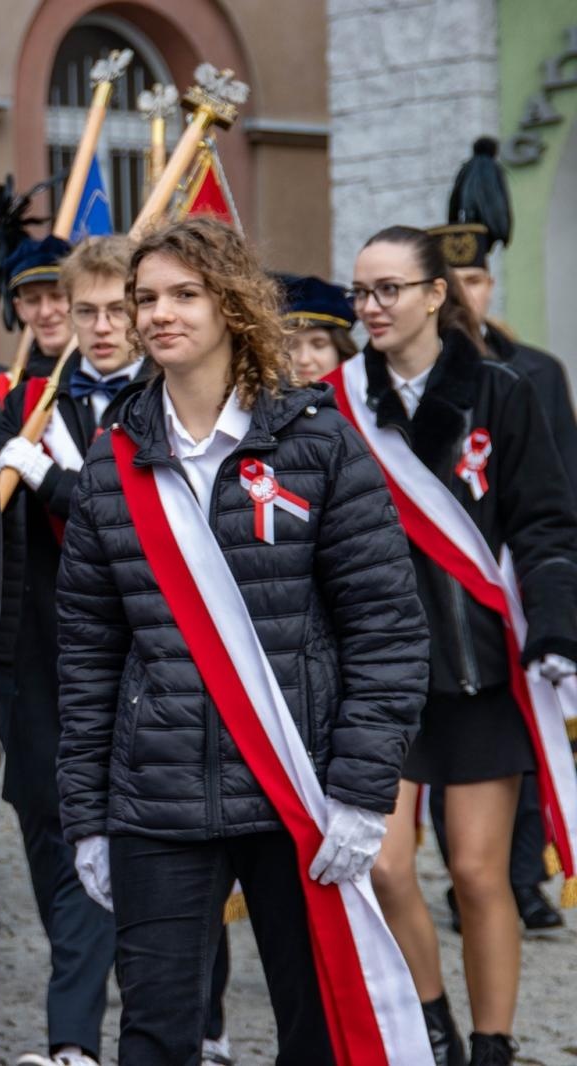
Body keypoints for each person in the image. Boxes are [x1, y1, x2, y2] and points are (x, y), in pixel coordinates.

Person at [55, 217, 430, 1063]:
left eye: (184, 294)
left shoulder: (318, 442)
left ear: (231, 305)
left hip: (300, 790)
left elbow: (385, 629)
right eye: (145, 298)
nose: (159, 314)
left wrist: (365, 792)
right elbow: (86, 653)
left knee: (316, 1027)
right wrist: (87, 815)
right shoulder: (112, 461)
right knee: (153, 1032)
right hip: (157, 799)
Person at [345, 225, 577, 1066]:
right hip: (379, 675)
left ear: (436, 296)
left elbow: (548, 522)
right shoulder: (338, 403)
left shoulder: (505, 394)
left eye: (388, 290)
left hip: (479, 667)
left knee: (482, 876)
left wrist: (555, 627)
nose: (370, 307)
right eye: (361, 292)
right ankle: (431, 1020)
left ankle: (491, 1045)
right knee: (383, 867)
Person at [0, 235, 148, 1066]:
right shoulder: (21, 405)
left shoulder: (161, 399)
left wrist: (53, 481)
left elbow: (134, 526)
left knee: (157, 837)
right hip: (42, 658)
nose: (85, 324)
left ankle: (99, 1037)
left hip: (142, 657)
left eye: (106, 308)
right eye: (65, 308)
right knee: (55, 837)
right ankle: (81, 1015)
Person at [425, 138, 577, 935]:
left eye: (479, 280)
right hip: (445, 579)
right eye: (455, 283)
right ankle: (468, 879)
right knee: (456, 750)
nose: (468, 296)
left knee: (525, 737)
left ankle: (520, 877)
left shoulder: (539, 371)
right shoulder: (414, 379)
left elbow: (559, 488)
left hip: (520, 577)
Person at [0, 236, 74, 404]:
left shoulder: (102, 381)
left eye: (56, 296)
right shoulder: (2, 392)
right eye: (33, 300)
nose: (45, 312)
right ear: (19, 309)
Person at [276, 273, 356, 383]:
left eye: (319, 345)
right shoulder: (258, 399)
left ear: (340, 351)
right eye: (291, 345)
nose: (304, 360)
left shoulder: (362, 398)